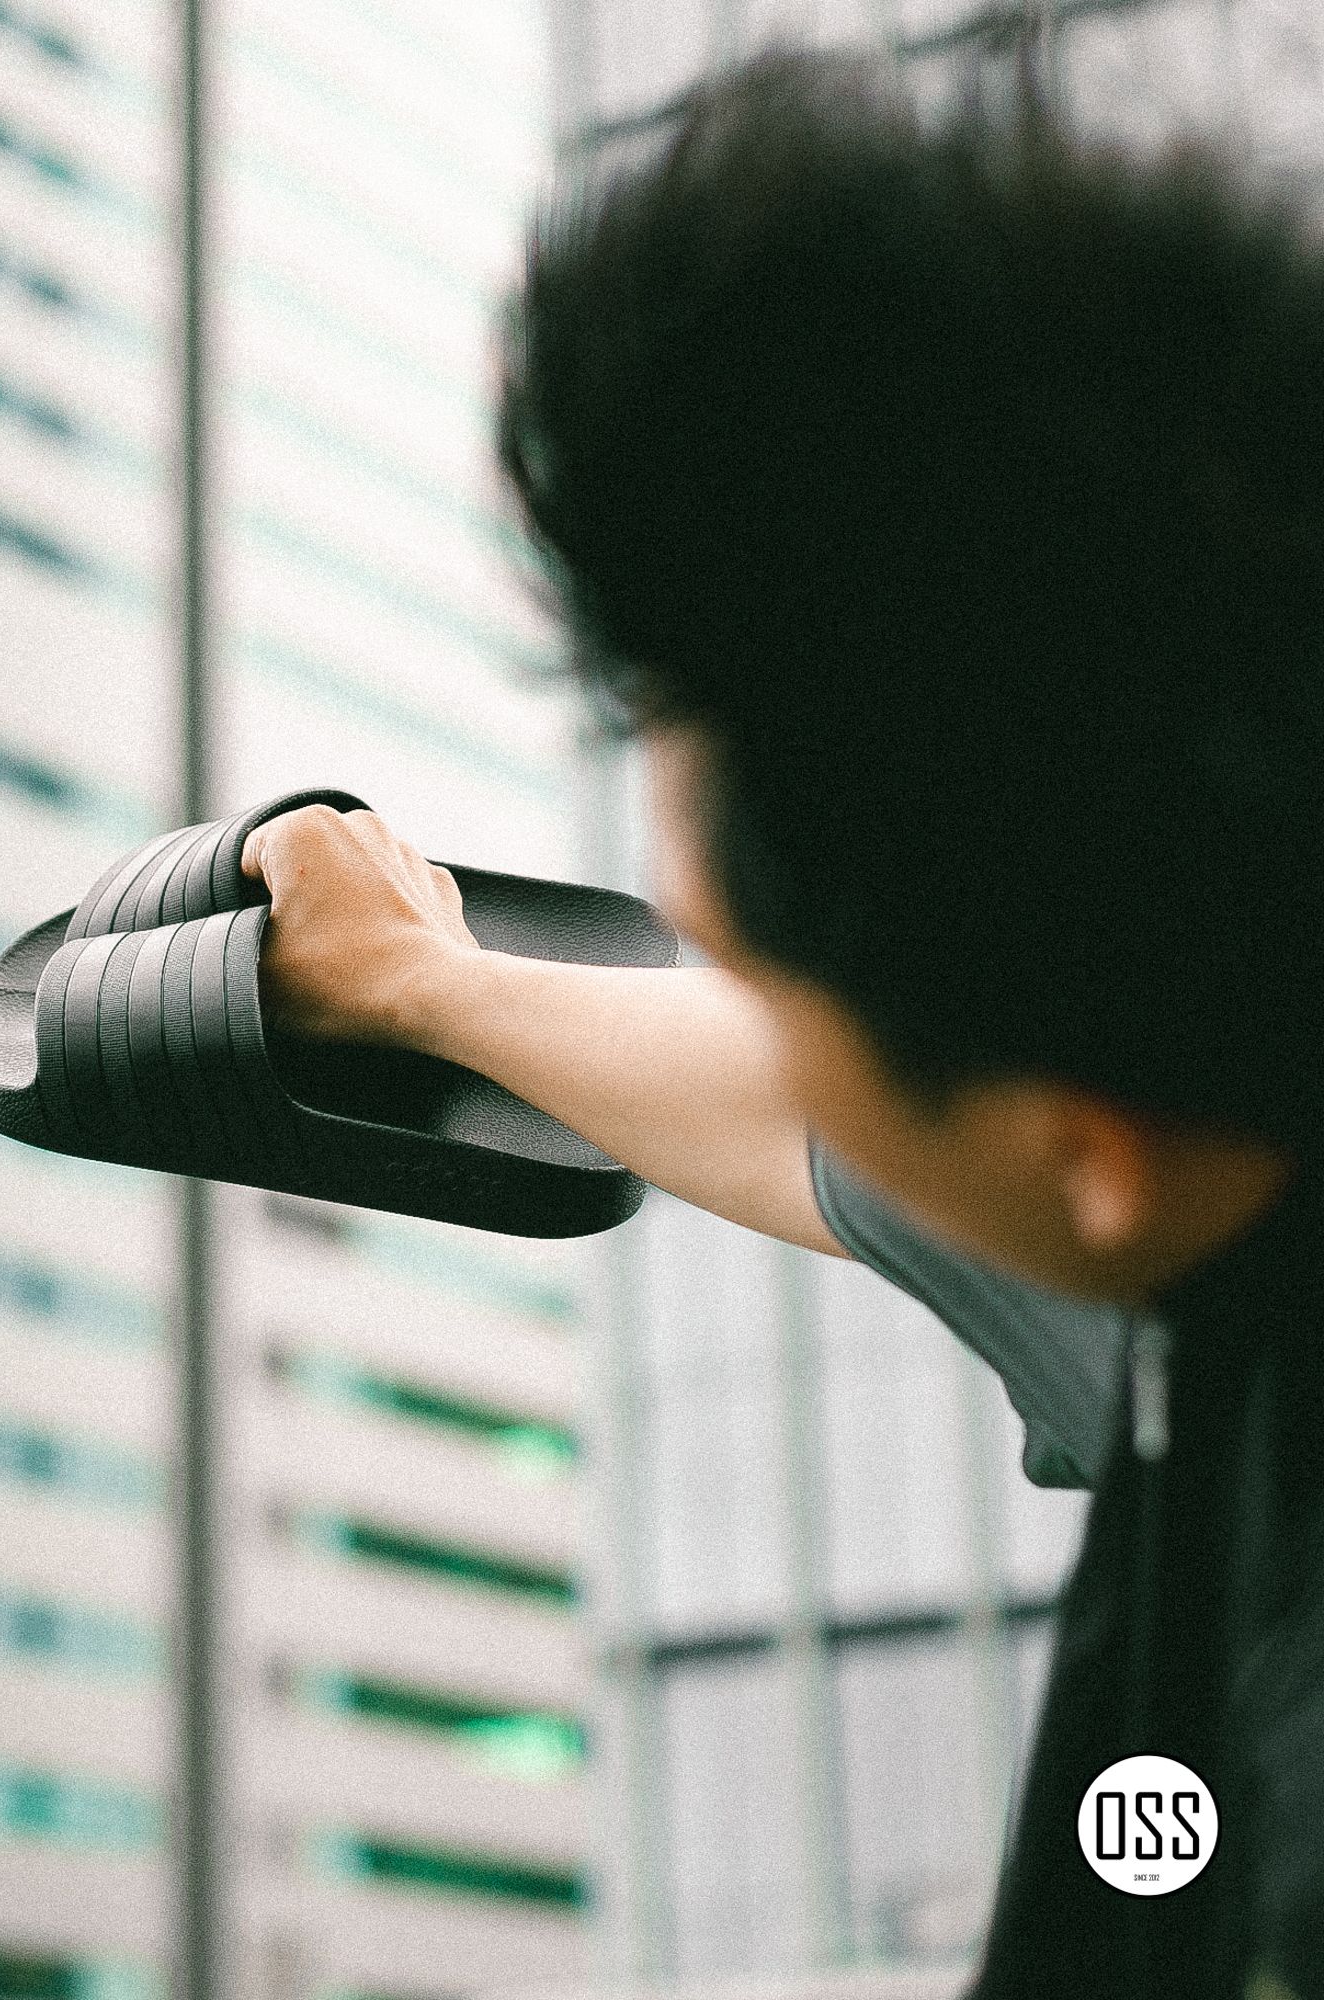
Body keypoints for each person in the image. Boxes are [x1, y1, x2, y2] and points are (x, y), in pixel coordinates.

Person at [239, 50, 1324, 2000]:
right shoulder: (1211, 1113)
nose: (753, 1015)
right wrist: (421, 981)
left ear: (1086, 1145)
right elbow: (822, 1119)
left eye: (776, 981)